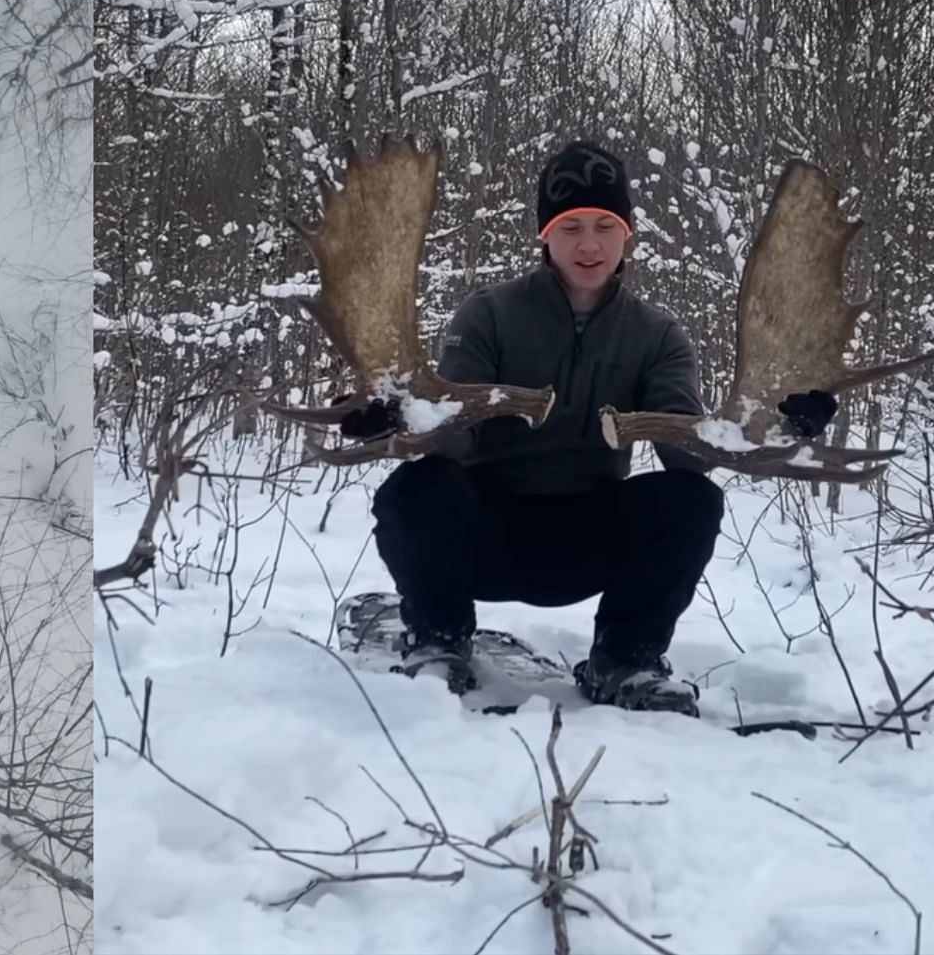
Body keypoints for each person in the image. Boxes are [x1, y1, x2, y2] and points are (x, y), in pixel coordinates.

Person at [338, 140, 835, 716]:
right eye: (570, 226)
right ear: (545, 234)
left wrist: (779, 425)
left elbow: (687, 455)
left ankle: (625, 660)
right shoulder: (489, 315)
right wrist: (400, 422)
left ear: (628, 234)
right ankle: (438, 643)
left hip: (591, 536)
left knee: (691, 500)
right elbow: (453, 436)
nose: (589, 244)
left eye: (605, 224)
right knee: (418, 489)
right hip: (484, 535)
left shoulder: (656, 336)